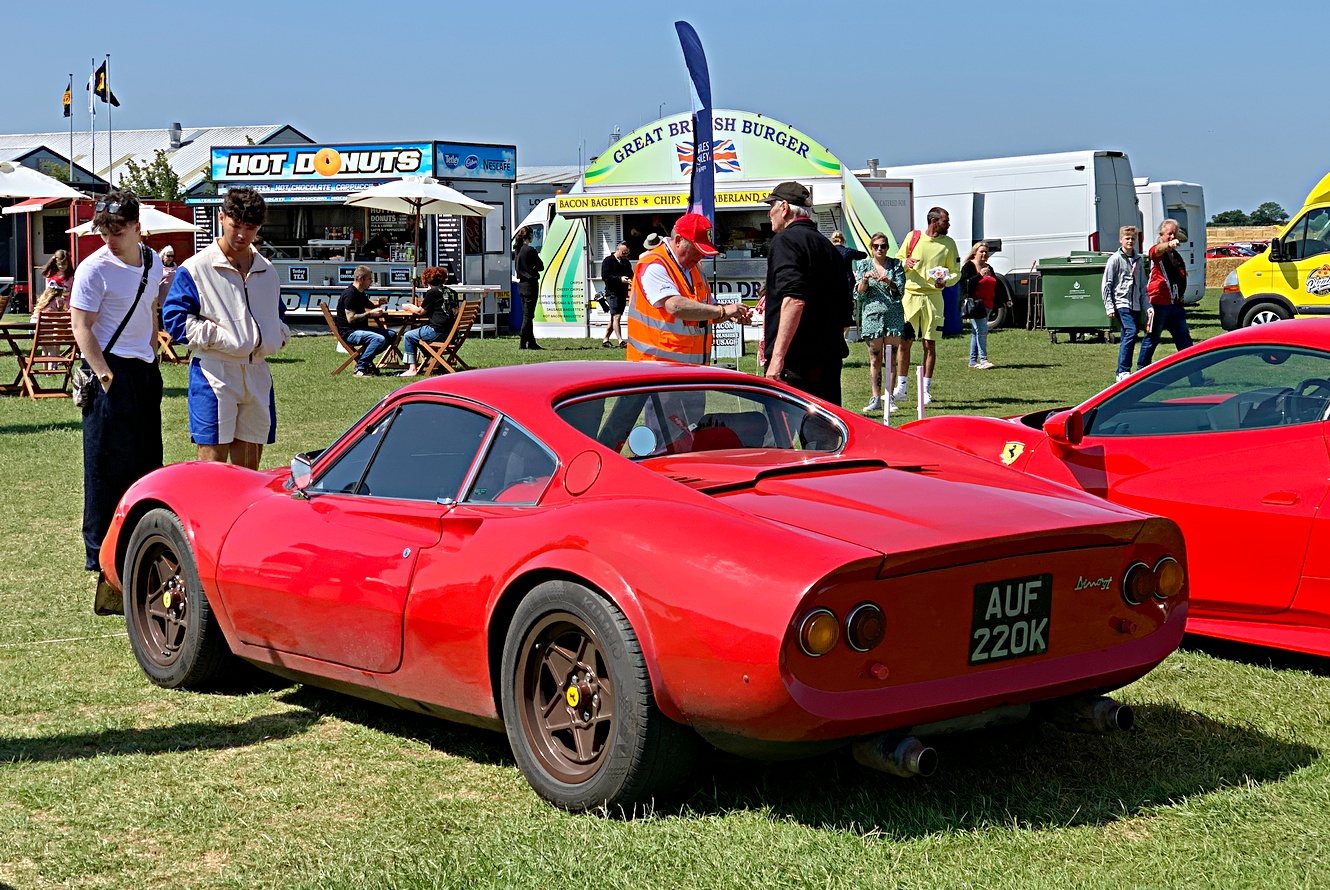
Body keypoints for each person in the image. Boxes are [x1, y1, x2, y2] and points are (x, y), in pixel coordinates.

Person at [69, 191, 168, 599]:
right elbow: (82, 327)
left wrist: (152, 353)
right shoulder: (94, 269)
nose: (109, 237)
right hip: (110, 370)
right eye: (104, 230)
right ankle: (98, 553)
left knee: (147, 462)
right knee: (105, 464)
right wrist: (106, 376)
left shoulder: (152, 261)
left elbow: (150, 310)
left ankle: (138, 541)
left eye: (117, 229)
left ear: (136, 227)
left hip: (144, 370)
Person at [163, 186, 291, 470]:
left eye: (250, 227)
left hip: (257, 372)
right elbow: (174, 320)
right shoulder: (196, 268)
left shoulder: (267, 269)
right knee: (213, 469)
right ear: (221, 218)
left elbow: (276, 313)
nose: (242, 235)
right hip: (214, 371)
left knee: (248, 469)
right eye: (235, 226)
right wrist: (222, 338)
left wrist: (277, 336)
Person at [762, 181, 851, 405]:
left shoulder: (785, 241)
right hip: (828, 358)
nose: (768, 213)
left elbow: (793, 300)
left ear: (784, 207)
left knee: (780, 434)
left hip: (796, 360)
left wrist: (777, 358)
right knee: (824, 433)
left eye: (771, 206)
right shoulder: (828, 247)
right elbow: (844, 308)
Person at [625, 212, 751, 364]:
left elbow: (705, 310)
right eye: (697, 250)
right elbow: (675, 306)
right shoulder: (654, 264)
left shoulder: (695, 268)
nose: (701, 257)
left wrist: (731, 313)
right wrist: (723, 311)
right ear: (678, 240)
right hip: (655, 369)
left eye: (704, 252)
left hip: (691, 370)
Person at [893, 207, 960, 405]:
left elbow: (956, 271)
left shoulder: (949, 244)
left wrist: (945, 281)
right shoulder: (913, 237)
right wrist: (907, 262)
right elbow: (897, 261)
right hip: (910, 296)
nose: (948, 225)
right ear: (933, 221)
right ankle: (901, 388)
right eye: (945, 221)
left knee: (929, 343)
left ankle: (925, 390)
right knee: (905, 343)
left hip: (934, 298)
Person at [854, 232, 905, 413]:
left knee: (890, 358)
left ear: (887, 247)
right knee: (875, 358)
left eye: (883, 246)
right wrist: (865, 280)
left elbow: (900, 291)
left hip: (893, 316)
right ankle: (875, 398)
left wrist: (889, 282)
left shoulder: (895, 265)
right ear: (871, 248)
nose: (879, 249)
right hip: (872, 316)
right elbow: (858, 294)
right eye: (876, 246)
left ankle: (889, 398)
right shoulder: (863, 265)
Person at [1137, 219, 1194, 369]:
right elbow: (1155, 251)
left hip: (1175, 305)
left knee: (1185, 343)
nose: (1172, 237)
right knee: (1150, 341)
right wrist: (1168, 245)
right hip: (1158, 304)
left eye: (1174, 234)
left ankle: (1196, 378)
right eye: (1169, 234)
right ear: (1161, 234)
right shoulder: (1158, 251)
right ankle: (1139, 375)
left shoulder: (1175, 255)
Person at [1101, 225, 1148, 381]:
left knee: (1127, 334)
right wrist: (1109, 306)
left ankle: (1120, 371)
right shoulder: (1114, 259)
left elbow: (1142, 285)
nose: (1130, 241)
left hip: (1135, 303)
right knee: (1131, 332)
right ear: (1120, 240)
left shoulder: (1139, 260)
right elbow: (1107, 284)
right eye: (1127, 238)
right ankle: (1123, 371)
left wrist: (1147, 306)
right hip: (1121, 302)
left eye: (1133, 239)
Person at [332, 265, 393, 376]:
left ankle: (367, 360)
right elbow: (351, 319)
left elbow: (370, 304)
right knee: (378, 339)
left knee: (391, 335)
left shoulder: (360, 293)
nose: (372, 282)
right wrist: (369, 314)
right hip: (350, 332)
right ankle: (361, 367)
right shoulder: (350, 294)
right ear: (361, 279)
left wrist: (379, 301)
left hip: (361, 329)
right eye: (370, 279)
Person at [398, 266, 458, 376]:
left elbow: (420, 311)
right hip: (452, 334)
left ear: (426, 280)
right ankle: (438, 362)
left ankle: (412, 369)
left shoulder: (432, 293)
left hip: (438, 331)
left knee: (409, 335)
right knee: (419, 335)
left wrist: (409, 306)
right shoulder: (452, 292)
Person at [959, 243, 1008, 370]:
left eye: (986, 252)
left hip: (988, 304)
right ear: (975, 252)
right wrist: (980, 275)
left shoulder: (988, 267)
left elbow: (996, 285)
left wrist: (1004, 300)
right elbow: (966, 285)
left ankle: (972, 361)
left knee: (976, 333)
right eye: (981, 251)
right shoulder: (969, 266)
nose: (984, 254)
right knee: (982, 331)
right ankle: (984, 360)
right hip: (975, 305)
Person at [514, 226, 544, 350]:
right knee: (528, 315)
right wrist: (533, 269)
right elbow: (541, 266)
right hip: (530, 285)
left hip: (521, 285)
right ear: (530, 236)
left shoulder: (518, 249)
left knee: (527, 314)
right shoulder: (530, 250)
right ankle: (522, 340)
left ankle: (531, 342)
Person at [600, 241, 632, 348]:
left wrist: (631, 280)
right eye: (623, 253)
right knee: (617, 316)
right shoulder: (608, 261)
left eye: (627, 253)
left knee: (614, 317)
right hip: (611, 292)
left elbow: (631, 274)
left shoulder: (625, 262)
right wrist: (619, 279)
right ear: (617, 250)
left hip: (622, 292)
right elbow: (605, 276)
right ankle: (621, 341)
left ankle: (605, 340)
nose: (625, 255)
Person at [830, 231, 868, 298]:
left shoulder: (828, 252)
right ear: (843, 241)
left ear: (832, 241)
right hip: (848, 282)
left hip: (833, 282)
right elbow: (864, 255)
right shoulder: (848, 251)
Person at [36, 249, 75, 314]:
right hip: (52, 303)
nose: (62, 267)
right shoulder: (51, 275)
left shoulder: (71, 276)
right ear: (55, 263)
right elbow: (47, 291)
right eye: (59, 264)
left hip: (67, 304)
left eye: (65, 264)